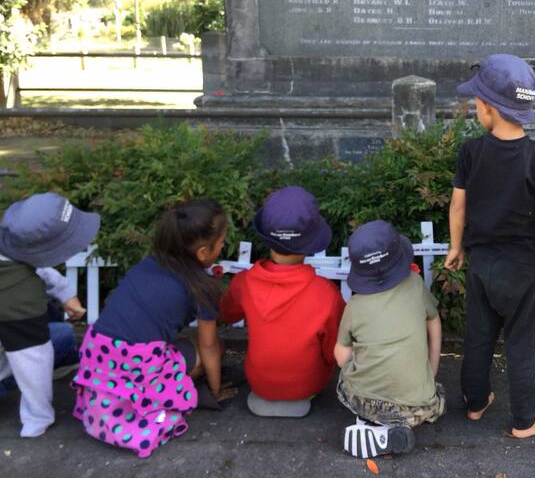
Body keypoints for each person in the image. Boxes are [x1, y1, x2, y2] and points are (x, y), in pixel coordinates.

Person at [445, 54, 535, 438]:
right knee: (524, 344)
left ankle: (475, 403)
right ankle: (525, 420)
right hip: (524, 270)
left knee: (479, 336)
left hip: (482, 264)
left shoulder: (471, 152)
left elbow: (458, 204)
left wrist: (455, 246)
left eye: (477, 105)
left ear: (488, 109)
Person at [72, 198, 234, 458]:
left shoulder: (148, 264)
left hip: (98, 357)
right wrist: (215, 391)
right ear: (203, 252)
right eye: (222, 241)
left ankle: (115, 399)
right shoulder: (202, 288)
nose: (224, 245)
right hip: (139, 365)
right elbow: (209, 345)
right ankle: (157, 395)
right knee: (213, 347)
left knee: (185, 343)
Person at [219, 186, 345, 418]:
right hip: (307, 384)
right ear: (312, 241)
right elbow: (332, 352)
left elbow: (227, 314)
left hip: (259, 382)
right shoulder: (327, 294)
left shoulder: (244, 283)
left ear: (267, 238)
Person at [334, 220, 444, 458]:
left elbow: (341, 356)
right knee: (437, 399)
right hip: (417, 405)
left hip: (363, 400)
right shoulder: (416, 285)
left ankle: (371, 425)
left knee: (346, 379)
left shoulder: (355, 305)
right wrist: (431, 372)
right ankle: (392, 428)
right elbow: (434, 323)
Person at [0, 193, 98, 437]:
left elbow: (31, 262)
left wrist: (66, 294)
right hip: (16, 331)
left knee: (62, 334)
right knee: (43, 353)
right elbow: (33, 361)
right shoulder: (20, 296)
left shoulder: (8, 240)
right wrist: (38, 419)